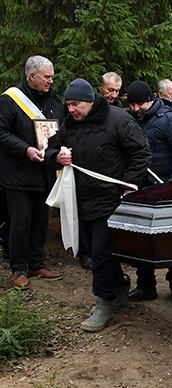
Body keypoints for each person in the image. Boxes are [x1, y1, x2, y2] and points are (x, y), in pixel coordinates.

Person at [45, 78, 152, 332]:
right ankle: (120, 288)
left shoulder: (117, 119)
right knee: (99, 251)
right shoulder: (69, 125)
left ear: (91, 102)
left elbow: (142, 152)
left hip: (111, 200)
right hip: (82, 200)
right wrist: (57, 157)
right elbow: (49, 151)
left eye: (76, 105)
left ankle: (103, 303)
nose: (71, 110)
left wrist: (128, 185)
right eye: (68, 105)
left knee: (101, 253)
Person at [126, 80, 172, 304]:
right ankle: (145, 286)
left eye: (141, 104)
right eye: (132, 104)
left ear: (152, 99)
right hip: (142, 191)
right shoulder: (128, 121)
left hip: (168, 190)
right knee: (141, 240)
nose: (136, 109)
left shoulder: (169, 119)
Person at [0, 55, 64, 287]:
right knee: (21, 221)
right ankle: (18, 268)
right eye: (47, 77)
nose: (51, 81)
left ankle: (37, 264)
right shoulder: (10, 100)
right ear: (32, 75)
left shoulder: (54, 100)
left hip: (43, 171)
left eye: (52, 77)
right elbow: (2, 133)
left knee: (40, 221)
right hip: (18, 172)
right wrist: (25, 149)